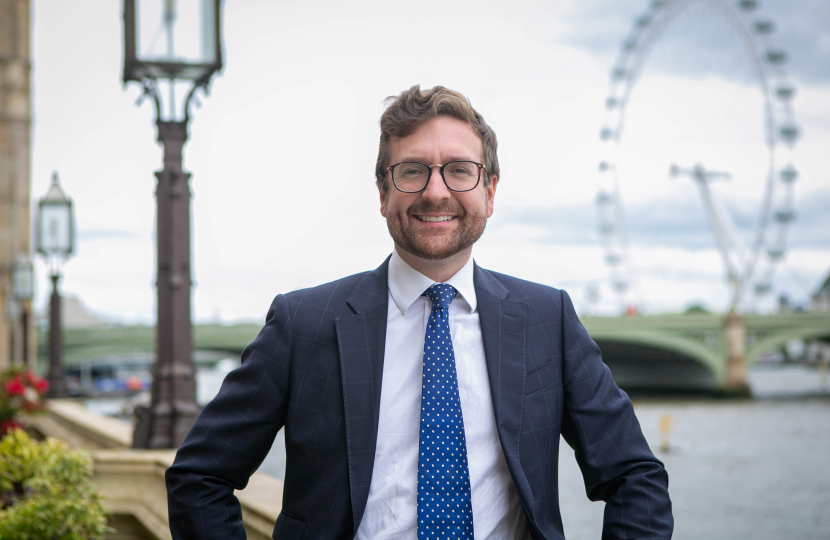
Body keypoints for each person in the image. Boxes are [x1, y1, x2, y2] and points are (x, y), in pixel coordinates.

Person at [166, 85, 673, 540]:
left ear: (489, 192)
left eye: (459, 170)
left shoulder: (548, 319)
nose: (435, 191)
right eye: (412, 171)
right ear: (384, 193)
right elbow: (200, 478)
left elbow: (636, 479)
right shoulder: (304, 323)